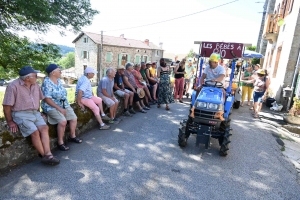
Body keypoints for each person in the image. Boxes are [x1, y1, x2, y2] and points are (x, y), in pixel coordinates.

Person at [2, 66, 60, 165]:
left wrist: (38, 111)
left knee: (45, 128)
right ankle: (45, 156)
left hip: (34, 112)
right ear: (27, 78)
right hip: (21, 114)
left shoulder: (35, 85)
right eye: (35, 75)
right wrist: (10, 121)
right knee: (35, 132)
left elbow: (37, 99)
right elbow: (7, 106)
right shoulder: (13, 86)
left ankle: (48, 154)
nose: (37, 77)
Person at [41, 64, 82, 151]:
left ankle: (72, 136)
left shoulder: (59, 80)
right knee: (62, 121)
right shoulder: (46, 83)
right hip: (51, 106)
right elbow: (47, 99)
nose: (61, 72)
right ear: (53, 73)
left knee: (74, 118)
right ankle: (60, 142)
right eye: (59, 70)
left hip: (63, 104)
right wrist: (59, 109)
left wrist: (64, 107)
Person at [190, 53, 226, 118]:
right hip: (207, 85)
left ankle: (221, 111)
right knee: (198, 89)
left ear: (215, 62)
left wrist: (216, 80)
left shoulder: (221, 69)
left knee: (224, 93)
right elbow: (202, 77)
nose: (209, 63)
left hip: (218, 86)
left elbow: (222, 77)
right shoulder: (207, 67)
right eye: (209, 61)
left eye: (211, 62)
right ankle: (194, 108)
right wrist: (200, 84)